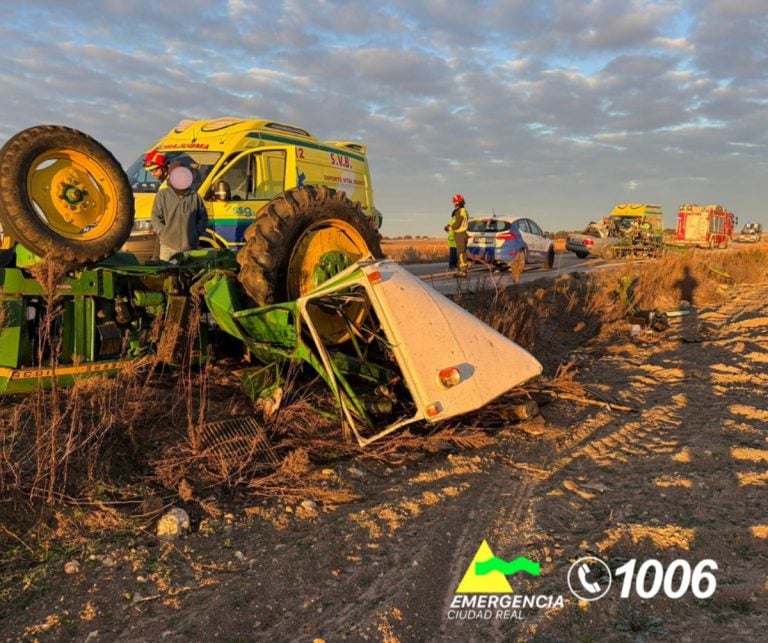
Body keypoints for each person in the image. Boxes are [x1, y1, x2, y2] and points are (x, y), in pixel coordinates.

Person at [150, 162, 208, 261]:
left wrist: (197, 232)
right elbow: (155, 217)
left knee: (189, 275)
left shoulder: (195, 196)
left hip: (190, 247)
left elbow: (203, 216)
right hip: (168, 247)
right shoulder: (162, 195)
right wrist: (163, 233)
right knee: (167, 274)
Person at [450, 193, 470, 277]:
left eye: (454, 202)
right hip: (464, 233)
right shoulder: (465, 211)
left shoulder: (459, 211)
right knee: (463, 252)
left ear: (457, 202)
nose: (454, 204)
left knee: (460, 253)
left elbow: (457, 224)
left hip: (459, 234)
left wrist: (450, 227)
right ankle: (463, 270)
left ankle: (463, 272)